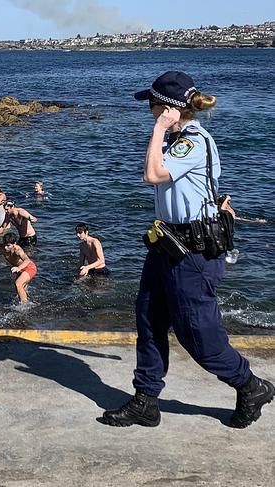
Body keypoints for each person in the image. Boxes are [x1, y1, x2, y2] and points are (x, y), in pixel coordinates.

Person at [102, 71, 273, 429]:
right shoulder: (176, 139)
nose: (148, 111)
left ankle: (250, 384)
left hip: (194, 252)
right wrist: (164, 131)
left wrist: (159, 129)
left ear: (166, 108)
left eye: (151, 106)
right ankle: (146, 400)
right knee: (148, 319)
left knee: (198, 335)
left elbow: (152, 176)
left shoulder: (191, 142)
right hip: (167, 243)